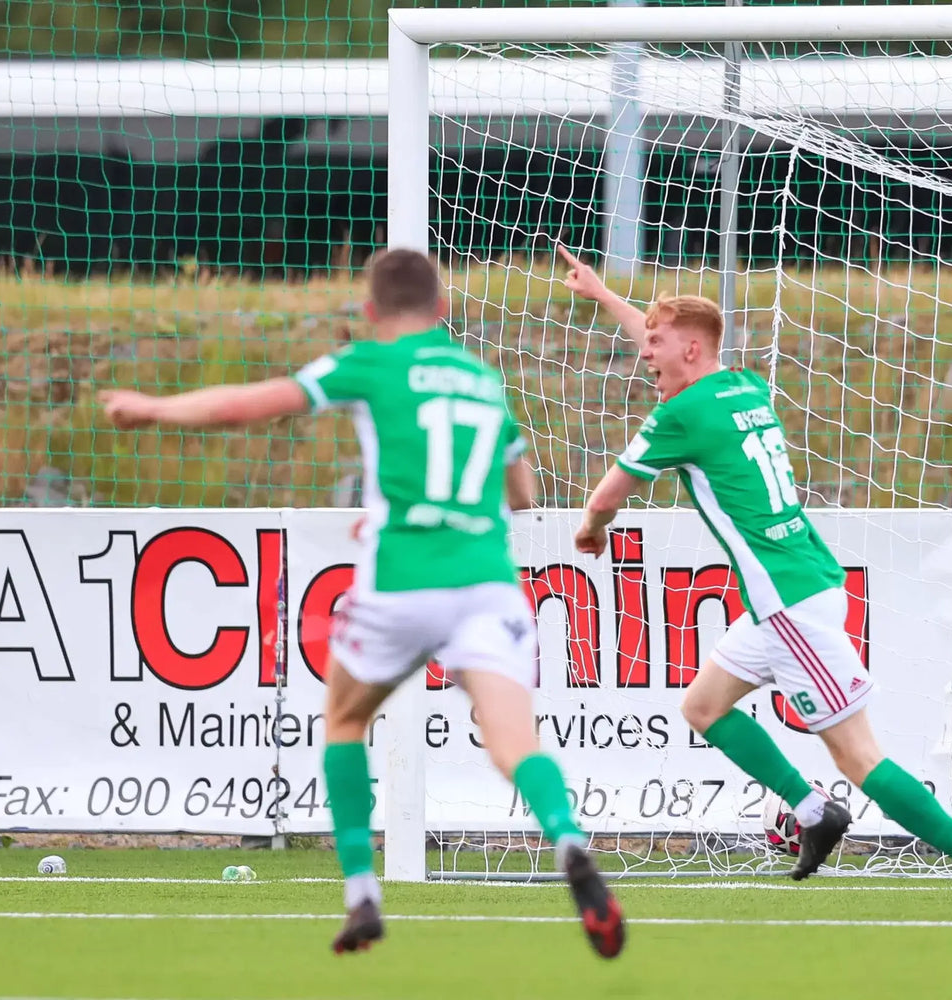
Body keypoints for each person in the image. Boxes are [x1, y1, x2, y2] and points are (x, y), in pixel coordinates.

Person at [101, 248, 626, 957]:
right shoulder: (481, 380)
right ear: (443, 311)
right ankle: (567, 842)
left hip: (402, 580)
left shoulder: (369, 364)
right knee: (514, 743)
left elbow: (251, 405)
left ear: (371, 312)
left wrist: (154, 408)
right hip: (486, 581)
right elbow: (524, 494)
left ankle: (362, 894)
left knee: (345, 720)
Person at [557, 245, 952, 919]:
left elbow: (608, 493)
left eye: (654, 346)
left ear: (688, 350)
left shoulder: (678, 417)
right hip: (794, 588)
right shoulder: (740, 385)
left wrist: (592, 529)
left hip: (788, 604)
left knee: (861, 758)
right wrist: (604, 295)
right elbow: (676, 344)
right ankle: (812, 811)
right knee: (704, 707)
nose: (644, 356)